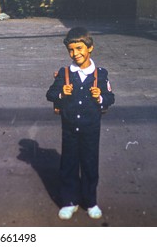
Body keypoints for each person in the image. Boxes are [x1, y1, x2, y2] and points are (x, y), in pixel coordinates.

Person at [46, 27, 115, 220]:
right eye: (71, 50)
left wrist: (100, 97)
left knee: (90, 164)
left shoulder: (100, 75)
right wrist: (61, 94)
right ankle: (69, 201)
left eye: (79, 48)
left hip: (91, 129)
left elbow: (110, 97)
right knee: (68, 164)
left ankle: (90, 201)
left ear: (90, 48)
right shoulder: (65, 73)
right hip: (69, 129)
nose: (75, 54)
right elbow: (50, 94)